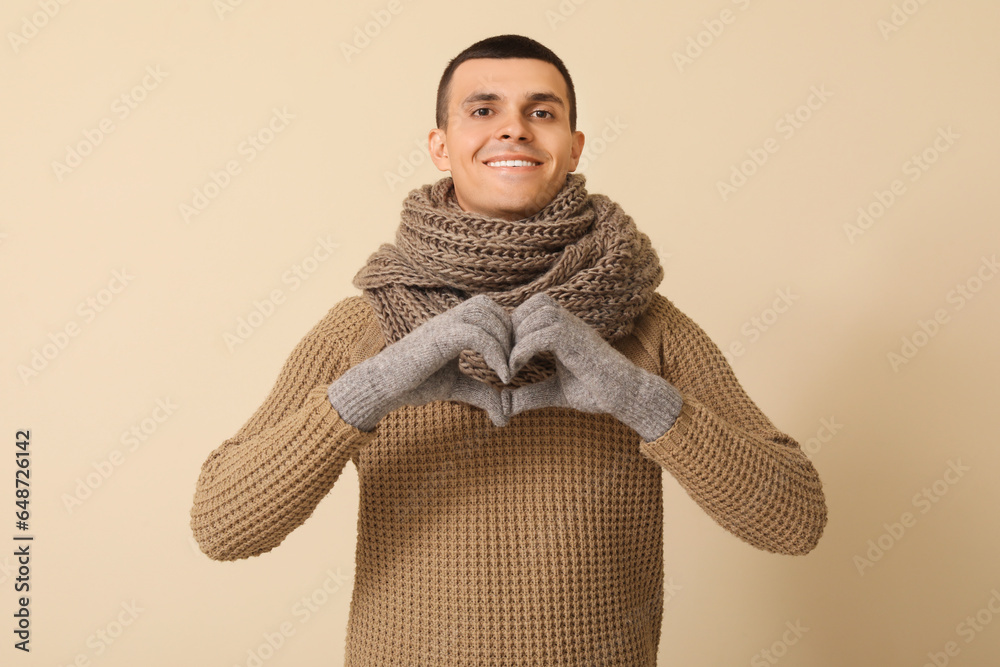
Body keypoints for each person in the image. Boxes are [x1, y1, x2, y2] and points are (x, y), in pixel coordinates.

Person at [190, 34, 827, 666]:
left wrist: (639, 399)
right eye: (483, 109)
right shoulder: (362, 328)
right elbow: (222, 527)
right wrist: (376, 386)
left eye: (541, 112)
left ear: (573, 148)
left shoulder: (647, 324)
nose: (514, 130)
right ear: (441, 146)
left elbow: (796, 521)